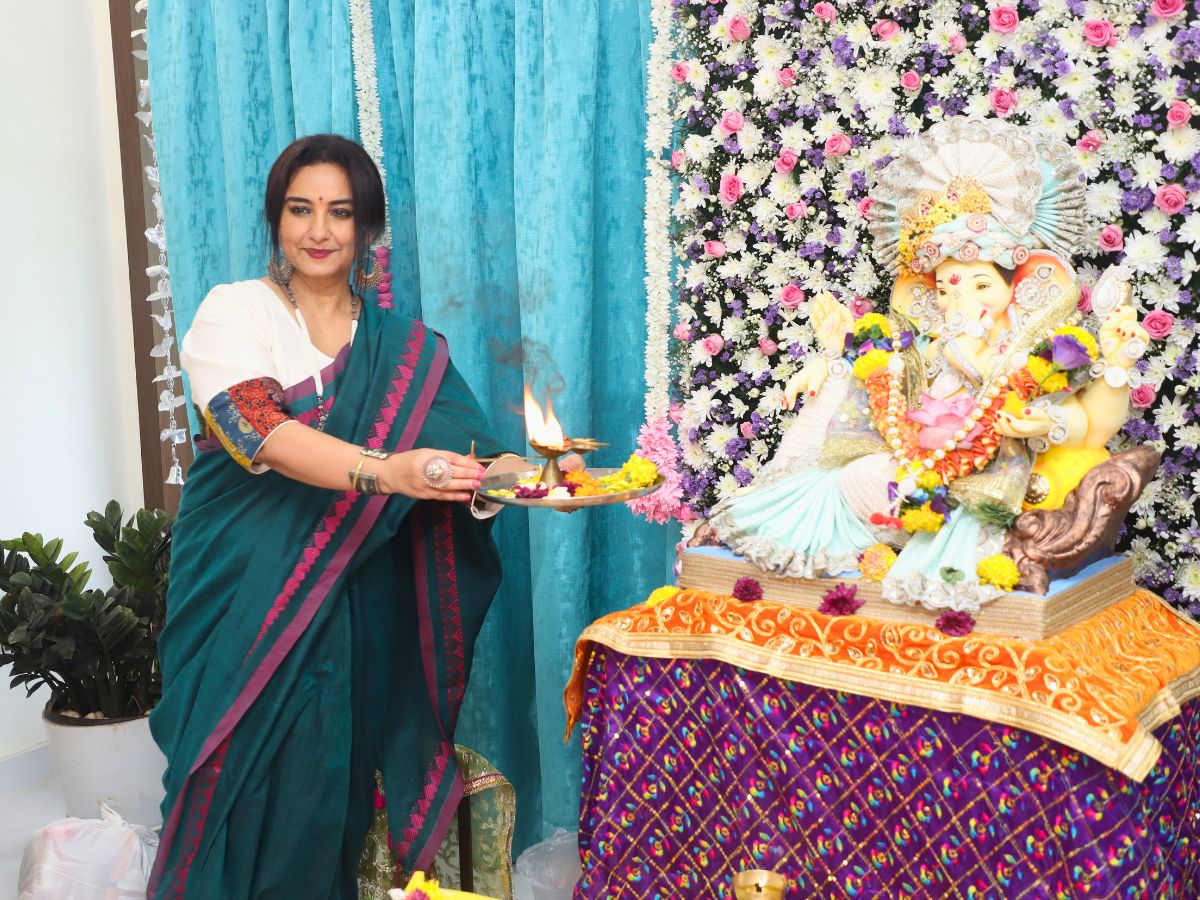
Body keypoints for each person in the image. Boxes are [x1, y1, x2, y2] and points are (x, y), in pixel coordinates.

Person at [149, 134, 507, 898]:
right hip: (240, 596)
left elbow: (475, 456)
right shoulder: (235, 312)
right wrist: (387, 471)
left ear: (366, 226)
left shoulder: (404, 350)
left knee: (322, 801)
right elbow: (260, 432)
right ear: (275, 219)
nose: (319, 231)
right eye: (300, 209)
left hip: (354, 605)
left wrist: (528, 479)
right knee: (227, 794)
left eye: (340, 212)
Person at [707, 118, 1149, 614]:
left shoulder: (1032, 349)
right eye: (945, 288)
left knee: (965, 501)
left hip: (990, 473)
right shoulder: (931, 342)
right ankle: (862, 531)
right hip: (913, 457)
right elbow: (884, 380)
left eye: (981, 285)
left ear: (1015, 286)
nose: (960, 300)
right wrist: (833, 359)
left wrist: (1049, 415)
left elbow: (1089, 426)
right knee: (856, 473)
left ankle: (931, 538)